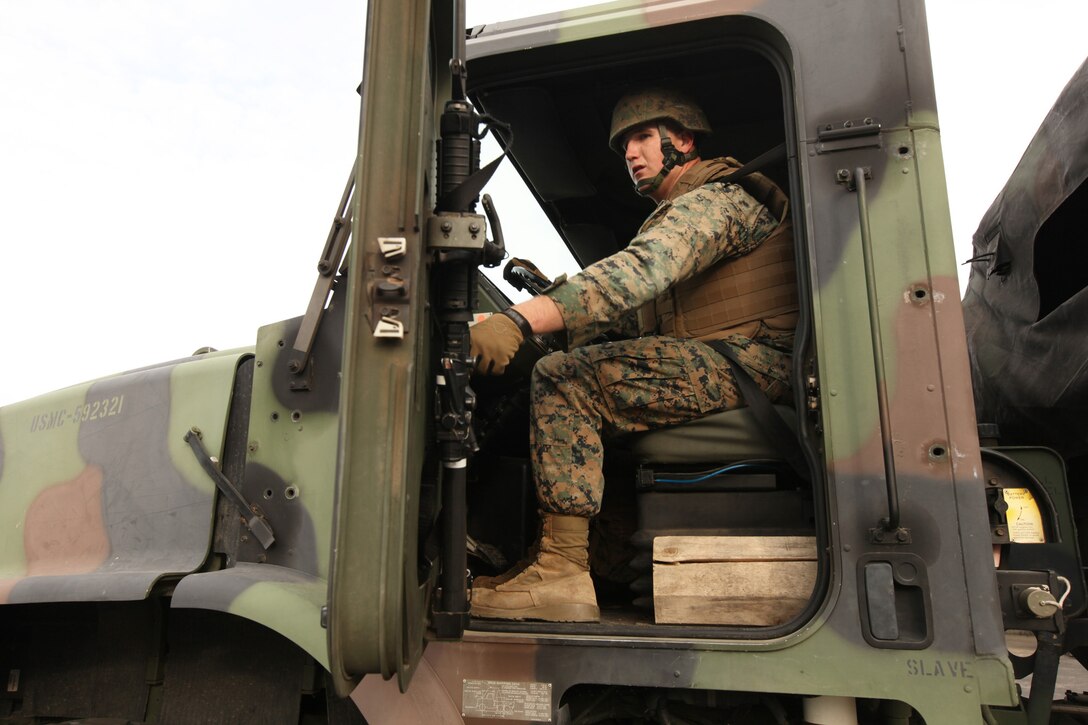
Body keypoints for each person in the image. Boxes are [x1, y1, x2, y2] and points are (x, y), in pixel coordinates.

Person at [468, 87, 798, 622]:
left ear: (684, 141)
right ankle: (603, 565)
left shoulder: (715, 200)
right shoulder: (680, 210)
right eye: (624, 145)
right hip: (732, 361)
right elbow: (631, 315)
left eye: (643, 137)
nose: (630, 153)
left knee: (566, 379)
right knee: (594, 369)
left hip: (754, 363)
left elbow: (638, 272)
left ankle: (561, 573)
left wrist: (522, 321)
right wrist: (541, 308)